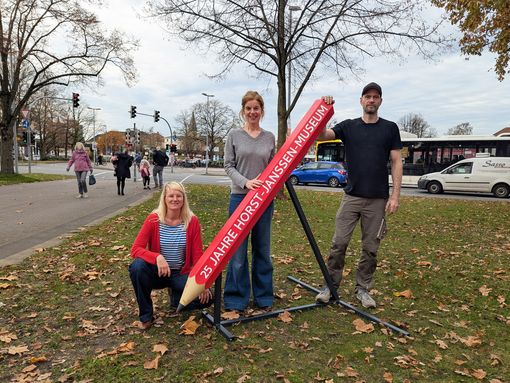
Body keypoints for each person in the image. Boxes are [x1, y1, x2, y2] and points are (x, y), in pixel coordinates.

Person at [315, 82, 403, 308]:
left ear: (380, 101)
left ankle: (362, 289)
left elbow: (396, 161)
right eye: (367, 96)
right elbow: (321, 135)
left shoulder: (390, 128)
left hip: (377, 199)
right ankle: (330, 286)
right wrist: (324, 111)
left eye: (375, 97)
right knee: (339, 243)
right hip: (351, 197)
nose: (371, 100)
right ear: (361, 100)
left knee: (370, 249)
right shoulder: (349, 126)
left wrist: (395, 196)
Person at [129, 182, 213, 329]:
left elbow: (198, 255)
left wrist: (202, 283)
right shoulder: (153, 219)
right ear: (164, 198)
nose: (175, 199)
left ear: (183, 199)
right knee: (137, 267)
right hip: (158, 273)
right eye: (171, 196)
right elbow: (136, 249)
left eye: (178, 196)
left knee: (207, 298)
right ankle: (146, 316)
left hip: (180, 273)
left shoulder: (192, 221)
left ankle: (176, 298)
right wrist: (157, 257)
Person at [223, 90, 276, 312]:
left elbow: (274, 169)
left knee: (262, 249)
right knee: (238, 252)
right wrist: (246, 183)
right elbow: (228, 165)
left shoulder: (270, 137)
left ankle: (263, 297)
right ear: (243, 111)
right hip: (240, 198)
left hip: (263, 202)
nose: (252, 112)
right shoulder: (234, 135)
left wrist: (268, 191)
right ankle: (236, 298)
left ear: (261, 111)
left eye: (256, 108)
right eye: (248, 108)